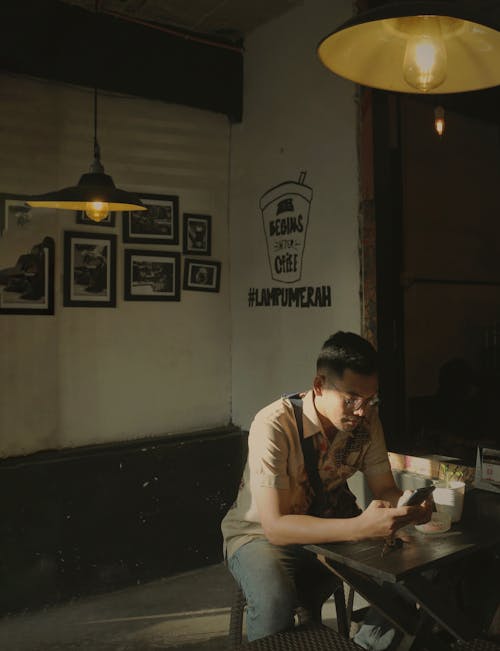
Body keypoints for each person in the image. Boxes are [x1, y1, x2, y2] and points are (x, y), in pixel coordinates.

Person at [221, 331, 432, 648]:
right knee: (274, 599)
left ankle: (361, 646)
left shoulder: (366, 421)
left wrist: (407, 507)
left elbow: (385, 488)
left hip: (333, 526)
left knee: (405, 582)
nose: (361, 411)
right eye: (350, 399)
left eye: (369, 399)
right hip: (259, 536)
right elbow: (276, 527)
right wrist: (359, 527)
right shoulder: (273, 424)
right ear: (319, 385)